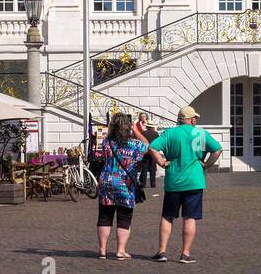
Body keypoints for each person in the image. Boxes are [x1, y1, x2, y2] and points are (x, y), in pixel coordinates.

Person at [148, 105, 222, 264]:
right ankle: (185, 254)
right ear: (191, 119)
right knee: (189, 218)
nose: (196, 120)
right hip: (194, 181)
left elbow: (152, 147)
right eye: (195, 118)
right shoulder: (200, 133)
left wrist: (161, 162)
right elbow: (217, 150)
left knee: (167, 216)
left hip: (173, 181)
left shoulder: (170, 133)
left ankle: (161, 251)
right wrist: (207, 165)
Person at [95, 113, 147, 260]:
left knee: (104, 216)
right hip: (125, 184)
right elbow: (147, 145)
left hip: (106, 181)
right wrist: (135, 130)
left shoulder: (107, 142)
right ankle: (120, 251)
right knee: (124, 217)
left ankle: (102, 250)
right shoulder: (135, 144)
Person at [133, 112, 159, 196]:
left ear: (147, 127)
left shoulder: (143, 133)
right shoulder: (156, 134)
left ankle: (143, 183)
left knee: (144, 168)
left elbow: (140, 142)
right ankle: (153, 183)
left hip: (146, 152)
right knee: (152, 168)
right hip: (153, 152)